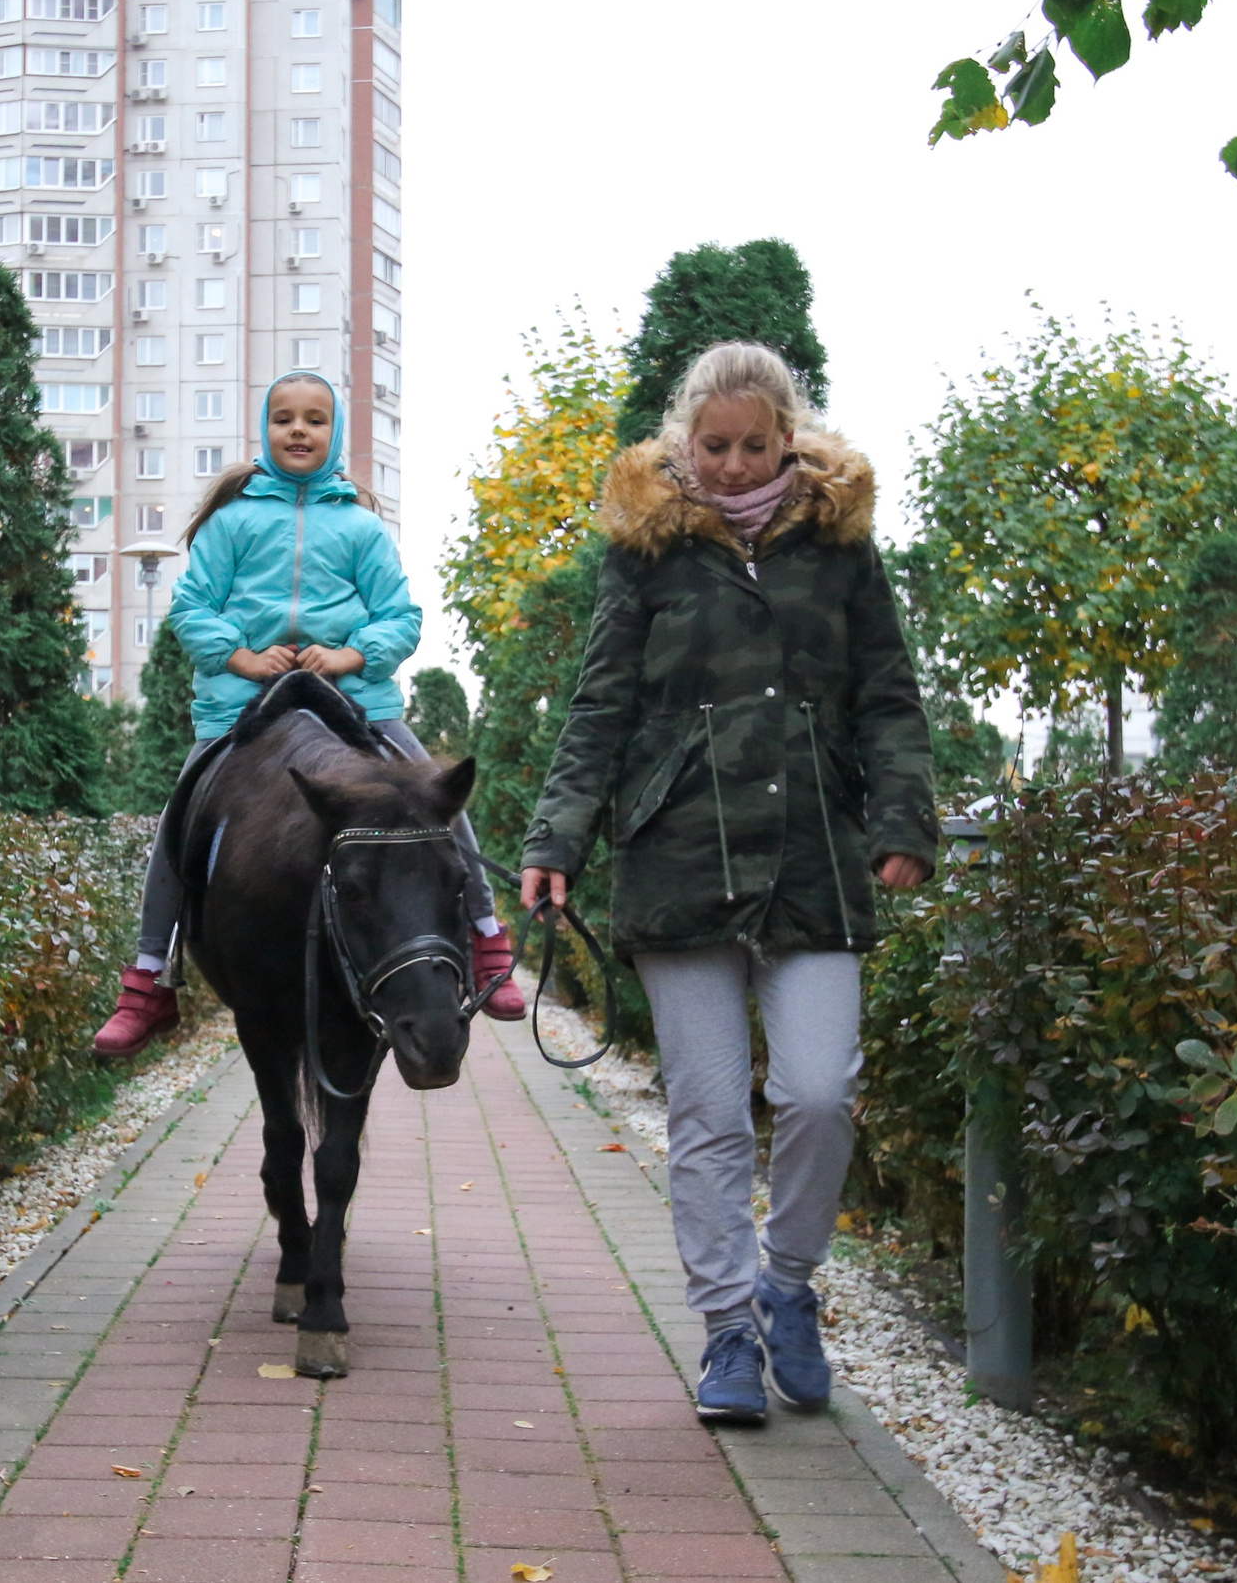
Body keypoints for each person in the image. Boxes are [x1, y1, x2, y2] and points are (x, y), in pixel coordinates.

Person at [517, 341, 937, 1423]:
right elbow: (599, 706)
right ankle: (723, 1338)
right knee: (705, 1112)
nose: (739, 463)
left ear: (789, 437)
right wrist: (556, 838)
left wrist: (900, 817)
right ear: (684, 441)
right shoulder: (645, 551)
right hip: (679, 856)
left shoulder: (838, 548)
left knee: (817, 1090)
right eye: (718, 445)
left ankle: (785, 1285)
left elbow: (887, 694)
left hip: (812, 857)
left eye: (758, 444)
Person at [94, 372, 524, 1056]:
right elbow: (191, 606)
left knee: (436, 801)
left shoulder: (360, 528)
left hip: (358, 709)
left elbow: (401, 617)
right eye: (285, 419)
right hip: (243, 709)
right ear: (265, 431)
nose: (299, 430)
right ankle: (149, 978)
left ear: (335, 435)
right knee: (179, 818)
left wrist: (351, 655)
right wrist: (239, 657)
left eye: (315, 420)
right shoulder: (232, 523)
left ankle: (485, 937)